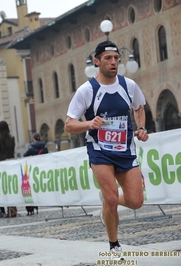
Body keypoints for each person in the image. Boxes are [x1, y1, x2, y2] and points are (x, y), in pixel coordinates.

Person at [65, 40, 149, 260]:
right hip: (99, 150)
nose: (113, 63)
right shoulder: (87, 90)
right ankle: (114, 246)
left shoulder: (128, 85)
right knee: (112, 200)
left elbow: (139, 108)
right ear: (97, 61)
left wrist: (141, 128)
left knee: (136, 201)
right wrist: (89, 124)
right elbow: (69, 124)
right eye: (108, 58)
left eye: (116, 59)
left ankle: (107, 198)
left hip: (126, 150)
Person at [0, 121, 16, 218]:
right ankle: (13, 209)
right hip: (11, 163)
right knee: (11, 187)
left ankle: (8, 210)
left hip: (2, 165)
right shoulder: (12, 139)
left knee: (4, 188)